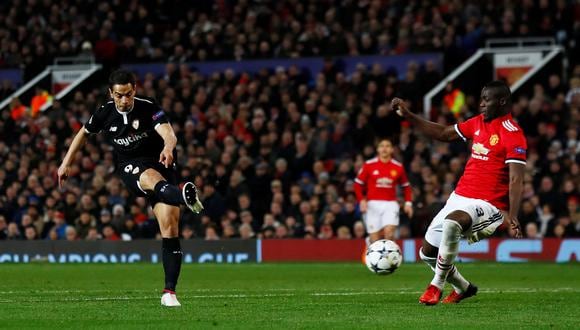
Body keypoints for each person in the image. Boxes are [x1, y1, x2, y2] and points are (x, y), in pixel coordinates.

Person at [58, 69, 203, 307]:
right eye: (118, 95)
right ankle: (183, 195)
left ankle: (169, 293)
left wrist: (168, 148)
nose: (124, 101)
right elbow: (83, 134)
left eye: (127, 94)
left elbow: (169, 134)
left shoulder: (148, 107)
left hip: (162, 162)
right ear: (111, 93)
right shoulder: (104, 113)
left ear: (134, 90)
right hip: (131, 167)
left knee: (170, 227)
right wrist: (66, 163)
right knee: (149, 178)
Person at [392, 80, 526, 305]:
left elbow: (516, 178)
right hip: (459, 196)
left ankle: (436, 286)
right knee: (427, 253)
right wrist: (409, 115)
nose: (481, 104)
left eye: (487, 99)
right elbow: (444, 133)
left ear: (502, 101)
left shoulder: (512, 133)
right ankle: (463, 287)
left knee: (453, 223)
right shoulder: (478, 123)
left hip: (488, 204)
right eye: (481, 99)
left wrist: (512, 215)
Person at [354, 138, 413, 243]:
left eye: (387, 146)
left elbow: (406, 186)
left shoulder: (398, 167)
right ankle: (370, 243)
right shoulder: (369, 165)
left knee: (389, 234)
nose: (384, 148)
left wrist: (408, 203)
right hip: (372, 204)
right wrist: (361, 200)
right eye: (382, 146)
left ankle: (389, 257)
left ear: (392, 150)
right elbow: (357, 184)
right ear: (377, 149)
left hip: (390, 203)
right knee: (374, 239)